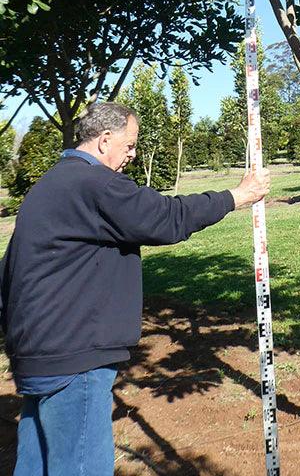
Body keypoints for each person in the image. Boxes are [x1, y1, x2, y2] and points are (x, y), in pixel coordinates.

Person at [0, 101, 270, 476]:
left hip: (38, 355)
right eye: (129, 145)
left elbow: (9, 270)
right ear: (104, 140)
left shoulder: (50, 185)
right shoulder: (95, 184)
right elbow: (165, 218)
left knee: (36, 465)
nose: (132, 153)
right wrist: (235, 197)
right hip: (74, 357)